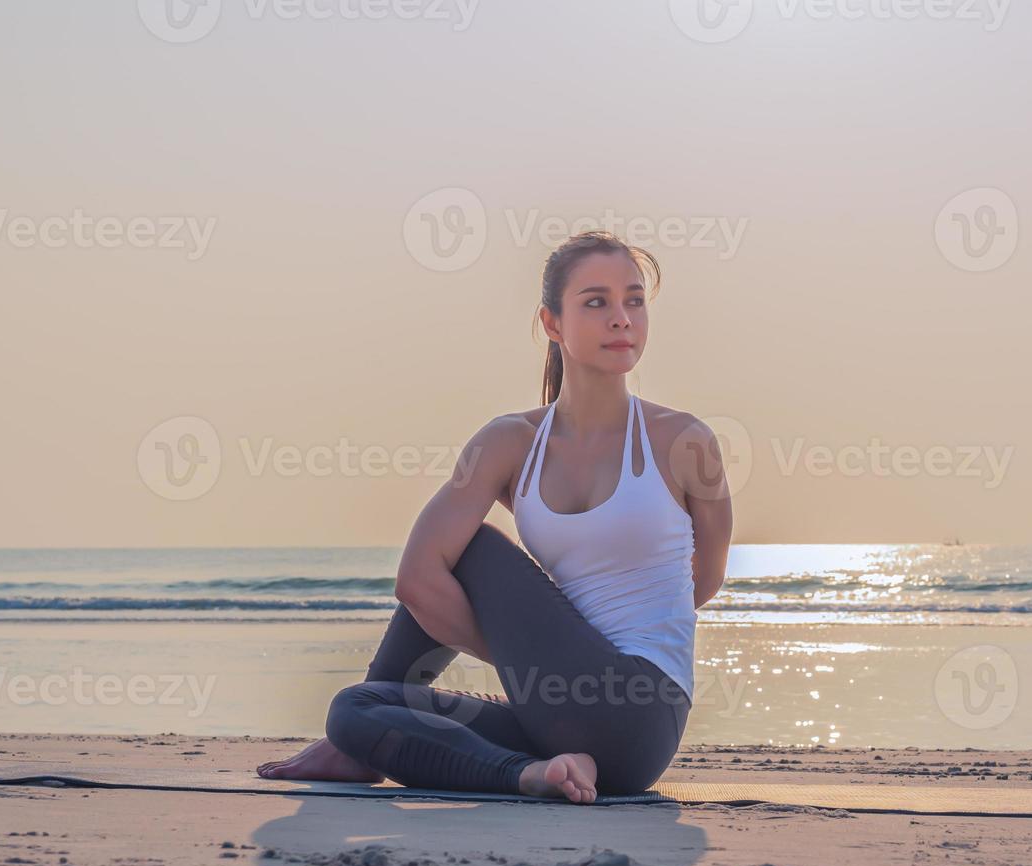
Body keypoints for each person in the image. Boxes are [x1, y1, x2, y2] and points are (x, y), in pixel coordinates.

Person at [257, 231, 733, 803]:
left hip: (640, 715)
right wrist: (538, 674)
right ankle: (532, 774)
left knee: (472, 549)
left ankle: (364, 751)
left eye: (634, 300)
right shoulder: (510, 444)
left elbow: (702, 580)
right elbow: (416, 581)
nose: (621, 318)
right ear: (552, 323)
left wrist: (535, 659)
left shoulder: (683, 441)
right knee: (357, 709)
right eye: (596, 301)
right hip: (557, 717)